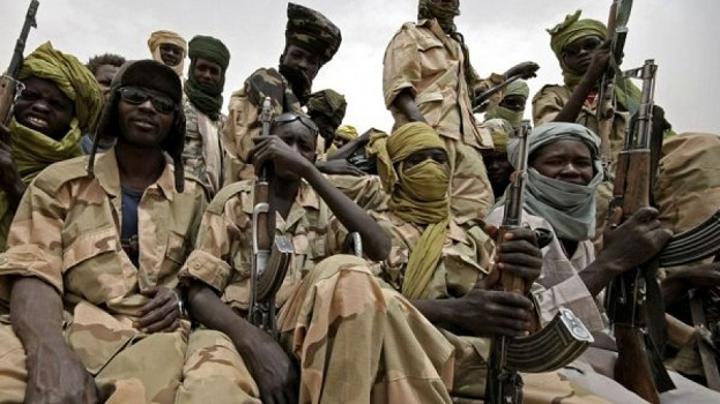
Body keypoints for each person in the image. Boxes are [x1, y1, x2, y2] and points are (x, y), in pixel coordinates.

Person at [0, 59, 256, 403]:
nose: (148, 107)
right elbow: (33, 275)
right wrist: (50, 354)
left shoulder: (195, 197)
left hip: (161, 340)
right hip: (63, 324)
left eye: (162, 104)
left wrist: (179, 299)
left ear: (175, 121)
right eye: (135, 96)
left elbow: (205, 281)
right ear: (114, 106)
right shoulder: (58, 182)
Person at [487, 122, 720, 402]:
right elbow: (522, 321)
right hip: (548, 366)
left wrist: (677, 280)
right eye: (556, 161)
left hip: (606, 358)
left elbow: (607, 312)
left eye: (582, 163)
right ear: (529, 171)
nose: (571, 170)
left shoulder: (581, 234)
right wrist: (611, 261)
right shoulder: (509, 223)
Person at [383, 0, 537, 224]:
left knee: (478, 208)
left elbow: (473, 93)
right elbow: (399, 89)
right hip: (428, 137)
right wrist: (425, 133)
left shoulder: (456, 46)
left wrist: (510, 74)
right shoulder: (410, 36)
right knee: (425, 209)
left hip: (465, 139)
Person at [223, 2, 342, 183]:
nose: (302, 64)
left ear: (316, 70)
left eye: (311, 61)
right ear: (283, 57)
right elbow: (261, 152)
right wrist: (320, 167)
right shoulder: (264, 83)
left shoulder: (301, 113)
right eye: (297, 55)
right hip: (248, 193)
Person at [0, 42, 102, 251]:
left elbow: (69, 241)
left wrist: (14, 184)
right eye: (30, 96)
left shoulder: (81, 175)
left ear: (74, 118)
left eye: (56, 105)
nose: (40, 107)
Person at [182, 35, 231, 196]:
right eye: (202, 68)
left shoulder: (224, 123)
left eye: (214, 71)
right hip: (176, 198)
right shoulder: (175, 106)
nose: (207, 75)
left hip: (212, 203)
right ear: (192, 69)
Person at [81, 52, 126, 154]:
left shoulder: (135, 148)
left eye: (121, 87)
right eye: (106, 83)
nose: (114, 91)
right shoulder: (66, 139)